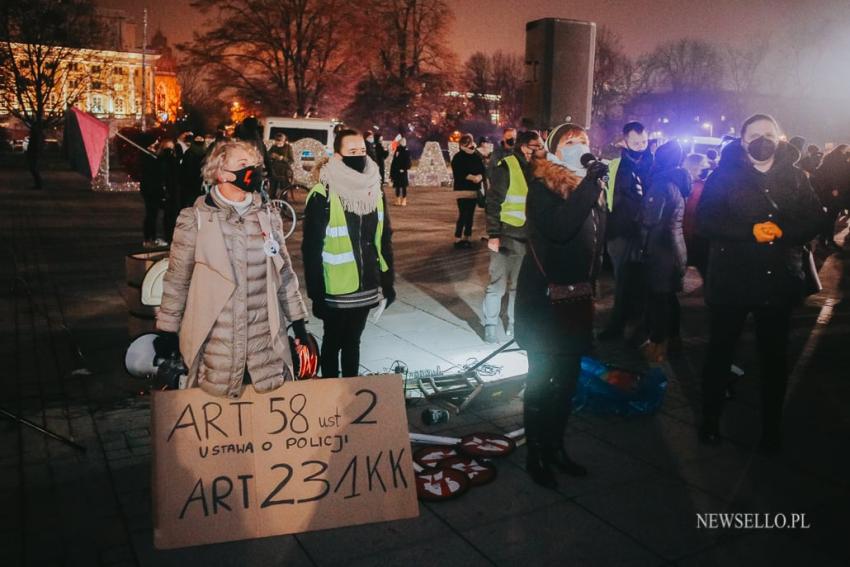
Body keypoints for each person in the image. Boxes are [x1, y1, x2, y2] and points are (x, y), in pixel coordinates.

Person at [696, 114, 824, 452]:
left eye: (769, 134)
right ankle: (709, 420)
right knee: (719, 355)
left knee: (774, 360)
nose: (762, 140)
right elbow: (705, 221)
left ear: (780, 139)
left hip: (776, 282)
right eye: (755, 134)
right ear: (742, 140)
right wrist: (748, 232)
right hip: (731, 282)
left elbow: (815, 218)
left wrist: (785, 232)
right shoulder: (723, 175)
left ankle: (771, 428)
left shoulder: (796, 177)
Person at [156, 140, 310, 397]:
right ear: (221, 173)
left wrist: (298, 321)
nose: (253, 170)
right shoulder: (194, 219)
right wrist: (168, 329)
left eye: (254, 165)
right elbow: (177, 279)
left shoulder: (268, 216)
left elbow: (283, 273)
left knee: (264, 419)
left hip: (264, 346)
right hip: (217, 347)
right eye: (243, 165)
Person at [515, 123, 608, 488]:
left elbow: (597, 238)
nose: (578, 146)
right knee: (541, 379)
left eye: (583, 141)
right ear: (554, 149)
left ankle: (556, 446)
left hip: (576, 298)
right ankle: (535, 454)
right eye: (569, 142)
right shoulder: (542, 186)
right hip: (543, 301)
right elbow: (561, 229)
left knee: (567, 380)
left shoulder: (591, 186)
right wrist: (589, 187)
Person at [302, 129, 395, 378]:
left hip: (366, 285)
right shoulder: (323, 194)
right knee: (333, 343)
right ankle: (331, 396)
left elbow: (383, 240)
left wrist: (387, 282)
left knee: (353, 342)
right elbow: (311, 249)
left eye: (363, 151)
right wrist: (316, 294)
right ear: (338, 155)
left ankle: (353, 393)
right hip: (336, 289)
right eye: (352, 152)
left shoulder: (374, 189)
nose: (360, 156)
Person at [483, 131, 544, 343]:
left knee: (520, 286)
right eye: (533, 147)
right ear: (522, 146)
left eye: (539, 148)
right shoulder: (506, 166)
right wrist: (493, 234)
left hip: (528, 239)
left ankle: (515, 324)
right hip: (506, 236)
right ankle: (490, 325)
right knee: (497, 284)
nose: (535, 151)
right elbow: (493, 203)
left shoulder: (538, 169)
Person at [599, 121, 653, 341]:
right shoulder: (615, 163)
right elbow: (604, 186)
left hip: (645, 232)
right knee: (623, 281)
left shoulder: (653, 163)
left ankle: (636, 326)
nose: (641, 146)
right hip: (620, 231)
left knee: (642, 282)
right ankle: (618, 325)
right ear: (625, 141)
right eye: (636, 142)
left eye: (644, 142)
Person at [640, 140, 689, 362]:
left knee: (659, 299)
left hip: (660, 249)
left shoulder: (661, 184)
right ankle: (674, 339)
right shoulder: (678, 181)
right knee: (668, 298)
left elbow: (650, 219)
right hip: (674, 246)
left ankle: (658, 346)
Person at [810, 144, 850, 250]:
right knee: (831, 217)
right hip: (835, 193)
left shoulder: (832, 158)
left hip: (833, 192)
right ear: (841, 150)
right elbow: (835, 175)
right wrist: (834, 188)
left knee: (830, 217)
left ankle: (824, 239)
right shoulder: (837, 160)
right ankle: (826, 240)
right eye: (846, 150)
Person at [451, 134, 486, 248]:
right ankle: (458, 237)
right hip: (462, 189)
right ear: (462, 145)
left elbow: (483, 169)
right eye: (467, 143)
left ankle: (467, 237)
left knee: (470, 214)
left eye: (470, 142)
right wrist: (472, 177)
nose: (470, 145)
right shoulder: (458, 157)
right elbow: (458, 173)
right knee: (463, 213)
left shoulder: (476, 156)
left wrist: (480, 176)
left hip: (474, 190)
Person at [682, 153, 711, 279]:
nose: (707, 168)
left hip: (694, 231)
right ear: (694, 167)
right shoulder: (692, 186)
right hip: (690, 231)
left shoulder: (700, 184)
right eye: (703, 166)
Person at [140, 139, 165, 248]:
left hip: (150, 190)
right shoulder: (148, 159)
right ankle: (150, 238)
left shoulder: (150, 158)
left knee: (152, 214)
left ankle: (150, 238)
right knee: (151, 214)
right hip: (151, 190)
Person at [158, 139, 181, 243]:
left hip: (170, 191)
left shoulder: (160, 160)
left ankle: (169, 236)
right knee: (172, 215)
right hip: (173, 191)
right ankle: (171, 236)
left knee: (169, 216)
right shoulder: (172, 160)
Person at [179, 135, 207, 209]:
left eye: (201, 138)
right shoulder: (189, 153)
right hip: (189, 182)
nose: (199, 140)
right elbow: (184, 168)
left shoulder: (206, 153)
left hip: (200, 182)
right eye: (197, 138)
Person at [268, 133, 295, 199]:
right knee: (272, 190)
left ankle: (284, 205)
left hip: (284, 172)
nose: (278, 143)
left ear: (283, 141)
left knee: (283, 190)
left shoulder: (288, 148)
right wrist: (271, 156)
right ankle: (273, 204)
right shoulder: (273, 147)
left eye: (280, 141)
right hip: (274, 171)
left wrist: (282, 158)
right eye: (277, 141)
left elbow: (291, 160)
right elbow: (268, 156)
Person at [390, 137, 411, 206]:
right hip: (396, 172)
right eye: (401, 141)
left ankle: (404, 200)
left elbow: (408, 162)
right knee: (397, 186)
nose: (402, 143)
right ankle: (398, 199)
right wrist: (392, 172)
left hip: (403, 172)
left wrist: (404, 168)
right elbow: (394, 161)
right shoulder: (397, 150)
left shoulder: (406, 151)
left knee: (404, 186)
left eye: (404, 141)